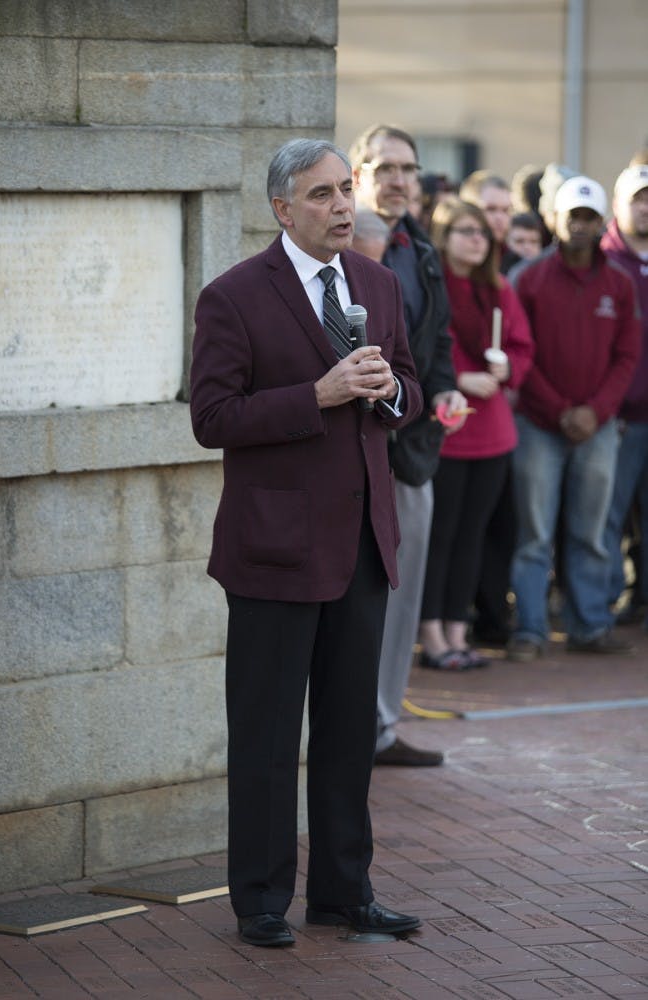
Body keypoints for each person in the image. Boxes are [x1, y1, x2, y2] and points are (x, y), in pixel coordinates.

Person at [189, 138, 424, 948]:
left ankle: (344, 891)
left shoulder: (377, 284)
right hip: (275, 549)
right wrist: (314, 396)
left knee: (349, 730)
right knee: (265, 733)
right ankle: (260, 900)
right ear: (282, 209)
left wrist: (392, 392)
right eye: (322, 194)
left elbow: (409, 384)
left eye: (346, 189)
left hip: (361, 544)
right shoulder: (233, 297)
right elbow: (211, 418)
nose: (342, 206)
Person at [349, 124, 466, 766]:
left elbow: (438, 340)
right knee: (352, 593)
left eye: (409, 169)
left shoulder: (420, 248)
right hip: (350, 450)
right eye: (385, 167)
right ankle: (343, 728)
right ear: (358, 174)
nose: (399, 180)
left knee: (402, 594)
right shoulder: (343, 245)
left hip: (414, 447)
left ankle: (380, 728)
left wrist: (444, 391)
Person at [509, 175, 641, 660]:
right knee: (534, 535)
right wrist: (561, 410)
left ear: (603, 222)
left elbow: (627, 355)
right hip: (538, 425)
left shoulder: (619, 283)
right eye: (573, 217)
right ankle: (531, 629)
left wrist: (596, 411)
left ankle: (589, 625)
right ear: (555, 220)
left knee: (591, 531)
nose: (581, 225)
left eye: (589, 217)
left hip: (598, 428)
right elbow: (520, 353)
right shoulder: (529, 279)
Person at [419, 197, 533, 668]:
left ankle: (458, 632)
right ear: (444, 236)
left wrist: (508, 369)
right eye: (465, 231)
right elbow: (422, 348)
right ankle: (431, 636)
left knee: (473, 536)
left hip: (493, 432)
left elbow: (522, 347)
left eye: (482, 232)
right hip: (449, 429)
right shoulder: (431, 285)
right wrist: (458, 378)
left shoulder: (499, 288)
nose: (476, 240)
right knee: (440, 535)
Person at [601, 164, 648, 625]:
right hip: (618, 416)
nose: (646, 207)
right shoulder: (602, 260)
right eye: (638, 198)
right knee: (608, 518)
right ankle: (607, 603)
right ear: (618, 205)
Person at [459, 170, 512, 268]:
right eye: (491, 209)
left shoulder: (517, 264)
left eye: (505, 210)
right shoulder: (452, 263)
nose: (500, 217)